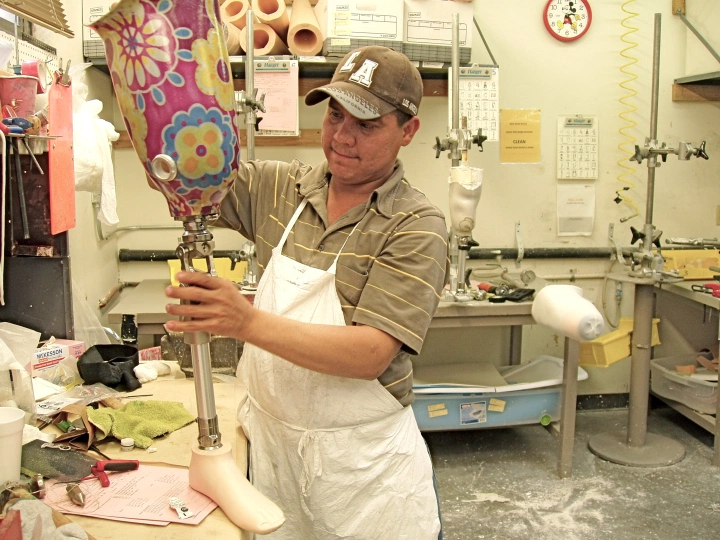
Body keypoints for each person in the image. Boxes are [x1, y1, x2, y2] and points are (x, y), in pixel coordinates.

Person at [164, 46, 448, 539]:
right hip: (274, 456)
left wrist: (245, 321)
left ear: (407, 131)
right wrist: (174, 85)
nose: (342, 137)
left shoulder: (416, 226)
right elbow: (193, 173)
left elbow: (371, 354)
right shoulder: (281, 188)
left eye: (366, 124)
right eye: (335, 115)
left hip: (364, 476)